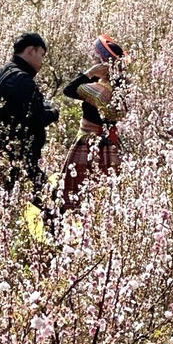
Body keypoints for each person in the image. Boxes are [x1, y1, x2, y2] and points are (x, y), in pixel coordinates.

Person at [0, 32, 59, 195]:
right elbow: (36, 118)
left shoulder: (2, 71)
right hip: (14, 156)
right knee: (45, 197)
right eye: (41, 55)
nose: (42, 61)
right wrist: (54, 112)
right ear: (31, 50)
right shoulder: (23, 81)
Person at [59, 35, 126, 213]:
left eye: (97, 58)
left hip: (88, 143)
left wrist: (89, 73)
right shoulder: (121, 88)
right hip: (111, 145)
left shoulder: (100, 90)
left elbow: (69, 90)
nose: (93, 60)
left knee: (77, 190)